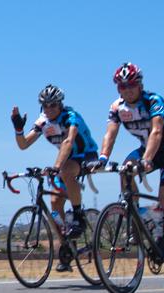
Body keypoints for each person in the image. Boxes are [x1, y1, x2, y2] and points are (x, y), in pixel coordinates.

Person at [94, 62, 164, 276]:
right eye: (121, 86)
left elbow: (157, 132)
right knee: (125, 171)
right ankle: (139, 220)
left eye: (131, 85)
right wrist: (102, 158)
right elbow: (110, 134)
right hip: (146, 149)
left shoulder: (154, 101)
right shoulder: (117, 107)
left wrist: (147, 159)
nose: (127, 90)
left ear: (140, 85)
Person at [11, 84, 98, 272]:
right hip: (65, 159)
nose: (49, 109)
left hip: (85, 155)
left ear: (60, 104)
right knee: (54, 203)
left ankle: (78, 216)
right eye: (45, 106)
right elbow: (24, 144)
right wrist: (18, 129)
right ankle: (66, 246)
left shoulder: (70, 117)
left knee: (66, 171)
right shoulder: (43, 121)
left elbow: (68, 141)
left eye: (53, 105)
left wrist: (56, 167)